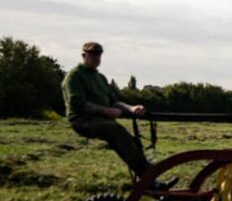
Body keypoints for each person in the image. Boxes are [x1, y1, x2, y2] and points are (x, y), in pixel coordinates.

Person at [62, 42, 173, 188]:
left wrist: (132, 108)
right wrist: (105, 111)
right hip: (82, 120)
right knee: (116, 130)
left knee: (132, 141)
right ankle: (148, 178)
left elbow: (114, 101)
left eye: (99, 55)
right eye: (93, 54)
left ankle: (149, 180)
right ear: (84, 55)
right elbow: (79, 104)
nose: (96, 58)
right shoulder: (74, 76)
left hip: (100, 120)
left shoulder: (100, 78)